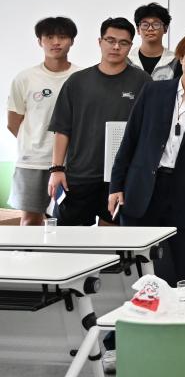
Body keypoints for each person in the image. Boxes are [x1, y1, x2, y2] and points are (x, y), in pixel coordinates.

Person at [108, 31, 185, 286]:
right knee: (135, 266)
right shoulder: (153, 91)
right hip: (143, 188)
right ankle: (138, 309)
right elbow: (130, 141)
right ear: (181, 57)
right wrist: (116, 186)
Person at [47, 18, 151, 226]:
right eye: (110, 40)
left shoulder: (143, 82)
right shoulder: (77, 81)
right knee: (68, 236)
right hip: (79, 175)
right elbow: (62, 129)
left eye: (123, 42)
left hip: (119, 178)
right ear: (99, 41)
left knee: (112, 236)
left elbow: (148, 130)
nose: (116, 46)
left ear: (130, 45)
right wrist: (57, 169)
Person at [7, 17, 81, 226]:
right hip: (32, 162)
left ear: (72, 41)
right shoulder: (25, 78)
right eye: (49, 37)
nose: (56, 42)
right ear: (40, 41)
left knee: (68, 222)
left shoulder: (81, 77)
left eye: (62, 37)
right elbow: (13, 122)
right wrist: (36, 143)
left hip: (71, 164)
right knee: (30, 220)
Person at [128, 3, 178, 81]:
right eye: (145, 25)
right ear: (138, 29)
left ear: (165, 28)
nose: (150, 28)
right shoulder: (128, 60)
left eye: (156, 24)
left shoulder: (175, 61)